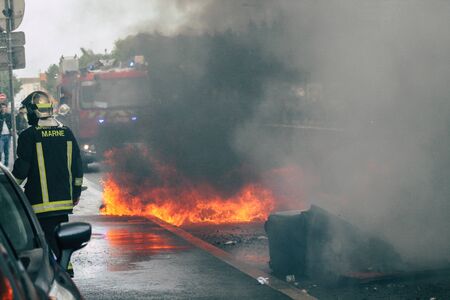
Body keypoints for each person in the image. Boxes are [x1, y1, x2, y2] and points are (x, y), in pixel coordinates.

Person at [12, 91, 84, 263]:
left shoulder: (29, 136)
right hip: (64, 201)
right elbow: (77, 166)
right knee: (59, 239)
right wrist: (76, 193)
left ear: (33, 112)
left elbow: (21, 171)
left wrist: (8, 190)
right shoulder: (67, 133)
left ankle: (55, 272)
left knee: (43, 242)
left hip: (39, 204)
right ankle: (65, 268)